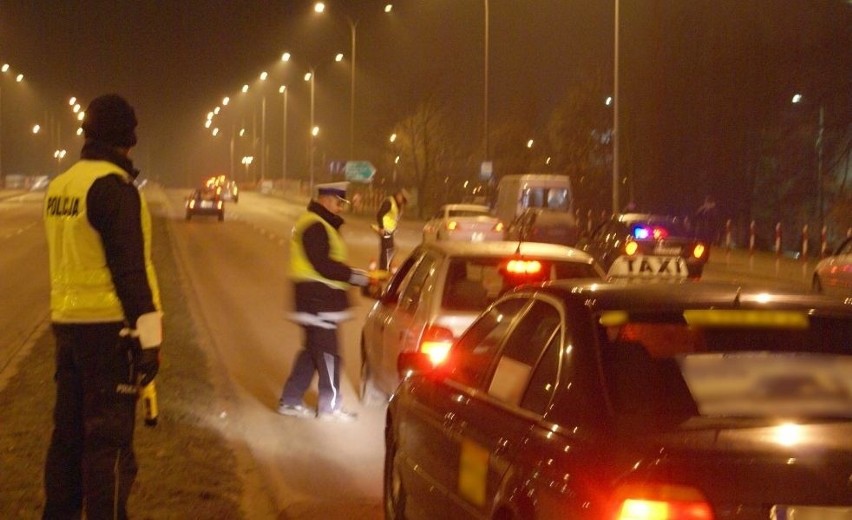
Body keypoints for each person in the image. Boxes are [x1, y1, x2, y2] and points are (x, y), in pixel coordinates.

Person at [42, 94, 163, 519]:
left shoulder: (61, 186)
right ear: (125, 139)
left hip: (67, 328)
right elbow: (131, 274)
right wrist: (149, 341)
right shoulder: (114, 189)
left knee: (67, 439)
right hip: (110, 333)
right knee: (108, 443)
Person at [278, 182, 370, 422]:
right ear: (326, 199)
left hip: (316, 302)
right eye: (339, 203)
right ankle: (330, 407)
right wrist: (356, 276)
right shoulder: (315, 226)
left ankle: (290, 400)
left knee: (311, 353)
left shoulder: (320, 224)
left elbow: (325, 263)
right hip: (318, 303)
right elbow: (323, 264)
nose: (340, 208)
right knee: (329, 355)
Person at [374, 188, 410, 271]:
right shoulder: (389, 202)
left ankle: (386, 268)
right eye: (403, 199)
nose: (402, 202)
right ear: (399, 195)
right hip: (385, 230)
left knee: (389, 250)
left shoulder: (396, 204)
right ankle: (383, 270)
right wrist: (381, 228)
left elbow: (392, 218)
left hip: (389, 231)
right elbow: (379, 214)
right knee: (387, 251)